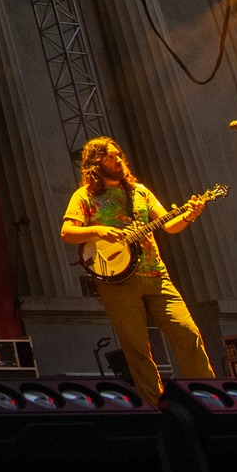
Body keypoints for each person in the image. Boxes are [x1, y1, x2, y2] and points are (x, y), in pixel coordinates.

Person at [60, 136, 214, 404]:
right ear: (96, 163)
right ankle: (156, 407)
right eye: (111, 156)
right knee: (137, 349)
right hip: (117, 282)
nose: (118, 160)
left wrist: (190, 214)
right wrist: (97, 230)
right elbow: (67, 232)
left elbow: (169, 224)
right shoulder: (84, 196)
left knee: (188, 333)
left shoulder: (141, 192)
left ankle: (207, 396)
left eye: (119, 155)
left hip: (156, 275)